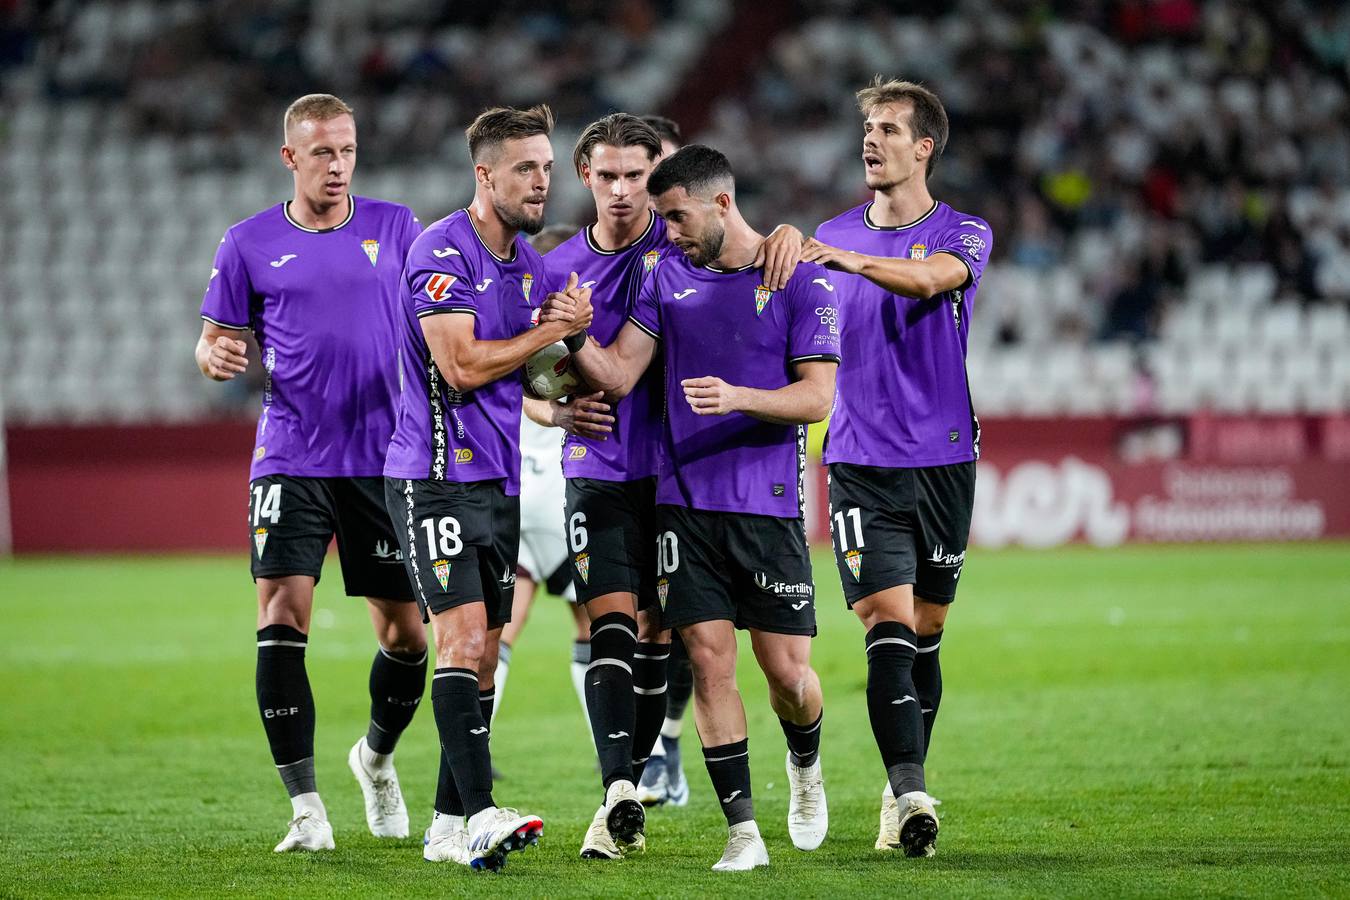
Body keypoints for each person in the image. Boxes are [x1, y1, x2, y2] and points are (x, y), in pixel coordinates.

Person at [565, 144, 839, 871]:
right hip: (683, 504)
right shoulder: (666, 280)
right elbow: (620, 373)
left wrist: (739, 397)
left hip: (769, 508)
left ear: (722, 203)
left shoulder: (800, 281)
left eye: (678, 215)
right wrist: (568, 334)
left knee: (787, 676)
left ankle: (805, 764)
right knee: (710, 663)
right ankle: (742, 832)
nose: (669, 230)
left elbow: (817, 397)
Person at [194, 93, 426, 854]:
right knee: (280, 615)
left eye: (348, 150)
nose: (337, 165)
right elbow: (214, 341)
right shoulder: (249, 242)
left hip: (383, 459)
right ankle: (306, 808)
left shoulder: (396, 227)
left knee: (407, 639)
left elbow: (437, 322)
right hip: (291, 455)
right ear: (290, 157)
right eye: (322, 152)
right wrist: (215, 355)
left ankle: (377, 760)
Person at [381, 104, 592, 872]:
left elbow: (535, 380)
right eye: (524, 169)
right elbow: (464, 366)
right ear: (485, 174)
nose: (541, 182)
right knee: (464, 642)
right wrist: (547, 329)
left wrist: (572, 396)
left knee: (483, 657)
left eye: (545, 167)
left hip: (497, 483)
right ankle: (478, 817)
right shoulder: (442, 250)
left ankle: (444, 826)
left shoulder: (531, 266)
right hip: (433, 478)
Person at [802, 78, 993, 859]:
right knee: (887, 619)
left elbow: (927, 279)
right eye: (867, 128)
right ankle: (910, 791)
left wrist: (843, 259)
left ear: (925, 147)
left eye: (888, 129)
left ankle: (898, 781)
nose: (870, 140)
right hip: (858, 461)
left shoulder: (965, 232)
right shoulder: (830, 232)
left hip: (945, 459)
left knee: (928, 630)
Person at [492, 223, 593, 748]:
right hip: (560, 491)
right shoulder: (570, 331)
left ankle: (475, 741)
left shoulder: (508, 324)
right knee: (593, 624)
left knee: (504, 628)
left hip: (513, 487)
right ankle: (618, 755)